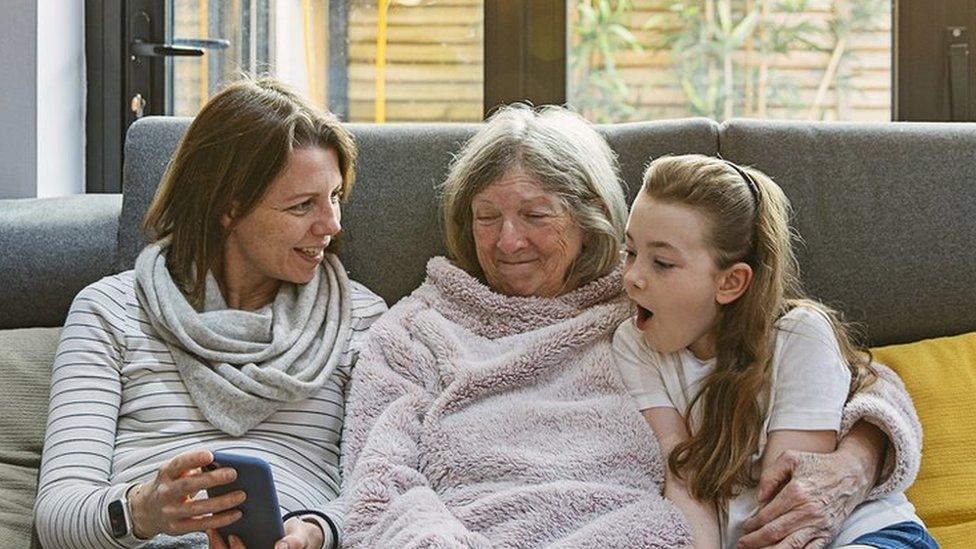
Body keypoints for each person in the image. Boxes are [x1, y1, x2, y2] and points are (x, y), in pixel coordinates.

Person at [338, 106, 922, 547]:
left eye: (536, 216)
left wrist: (856, 461)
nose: (506, 241)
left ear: (592, 219)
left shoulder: (655, 297)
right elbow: (377, 475)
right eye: (486, 217)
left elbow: (855, 376)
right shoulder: (418, 327)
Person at [33, 77, 386, 549]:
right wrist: (144, 509)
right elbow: (56, 513)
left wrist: (319, 532)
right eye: (303, 205)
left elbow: (381, 489)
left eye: (336, 197)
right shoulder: (109, 312)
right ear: (228, 207)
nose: (331, 225)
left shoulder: (360, 319)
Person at [614, 154, 934, 548]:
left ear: (731, 282)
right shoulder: (635, 344)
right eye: (629, 251)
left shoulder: (801, 337)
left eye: (662, 263)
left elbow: (790, 501)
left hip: (859, 535)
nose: (632, 277)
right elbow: (684, 475)